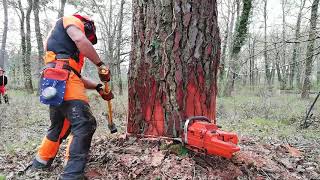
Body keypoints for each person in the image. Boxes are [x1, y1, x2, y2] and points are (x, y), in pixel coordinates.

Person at [31, 14, 114, 180]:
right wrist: (100, 64)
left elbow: (76, 75)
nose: (88, 39)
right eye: (89, 36)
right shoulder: (71, 20)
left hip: (56, 77)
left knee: (60, 125)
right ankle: (72, 174)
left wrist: (98, 87)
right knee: (85, 123)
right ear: (86, 24)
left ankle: (40, 162)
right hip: (63, 77)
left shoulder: (61, 50)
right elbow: (80, 40)